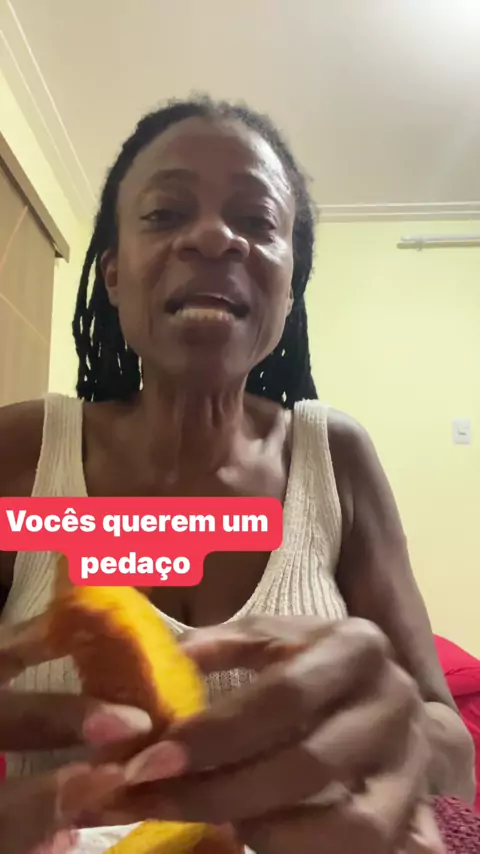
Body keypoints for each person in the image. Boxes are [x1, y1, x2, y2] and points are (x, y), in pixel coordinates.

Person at [0, 96, 474, 854]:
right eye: (164, 213)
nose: (215, 236)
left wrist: (405, 734)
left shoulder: (335, 456)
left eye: (256, 220)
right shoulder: (24, 451)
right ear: (113, 274)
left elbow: (453, 748)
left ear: (288, 288)